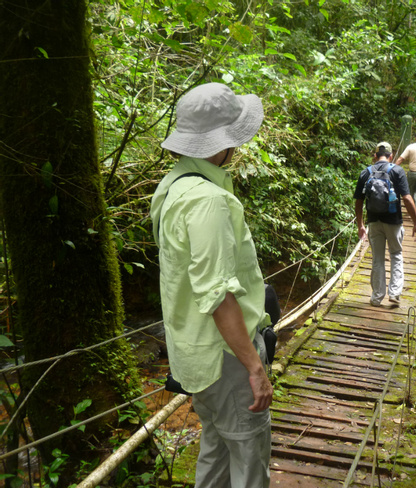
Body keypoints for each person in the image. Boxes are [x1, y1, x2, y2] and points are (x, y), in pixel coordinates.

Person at [150, 83, 273, 488]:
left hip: (193, 354)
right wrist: (255, 368)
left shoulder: (171, 188)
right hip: (226, 357)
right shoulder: (209, 200)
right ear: (220, 143)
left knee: (217, 448)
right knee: (249, 459)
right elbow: (217, 294)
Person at [354, 142, 416, 307]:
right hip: (393, 222)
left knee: (377, 259)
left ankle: (376, 297)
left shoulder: (365, 173)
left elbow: (358, 201)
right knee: (396, 255)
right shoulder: (397, 171)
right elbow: (406, 198)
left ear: (375, 156)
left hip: (373, 222)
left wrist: (360, 225)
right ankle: (394, 293)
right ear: (391, 156)